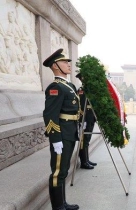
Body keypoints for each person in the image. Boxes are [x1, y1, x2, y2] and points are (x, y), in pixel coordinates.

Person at [42, 48, 80, 210]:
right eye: (65, 62)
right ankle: (57, 207)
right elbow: (50, 115)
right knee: (58, 171)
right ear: (56, 66)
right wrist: (55, 139)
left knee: (63, 170)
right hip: (62, 134)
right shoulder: (55, 87)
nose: (68, 64)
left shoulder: (68, 85)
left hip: (70, 132)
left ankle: (63, 203)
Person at [76, 72, 97, 169]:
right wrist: (82, 119)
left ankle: (87, 160)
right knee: (83, 141)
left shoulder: (90, 90)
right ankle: (83, 162)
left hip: (90, 117)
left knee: (87, 139)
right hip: (84, 118)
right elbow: (80, 106)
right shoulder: (82, 90)